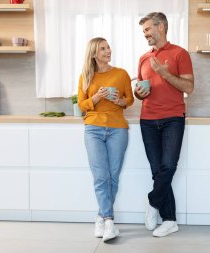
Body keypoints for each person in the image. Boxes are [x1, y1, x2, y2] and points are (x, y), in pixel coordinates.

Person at [135, 12, 194, 237]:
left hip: (173, 118)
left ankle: (152, 203)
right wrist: (138, 93)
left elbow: (188, 87)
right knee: (157, 171)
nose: (146, 35)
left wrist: (164, 73)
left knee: (168, 166)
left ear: (161, 27)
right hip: (148, 119)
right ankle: (169, 220)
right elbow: (141, 90)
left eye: (148, 30)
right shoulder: (143, 58)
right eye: (144, 32)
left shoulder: (180, 53)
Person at [78, 37, 134, 242]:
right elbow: (82, 105)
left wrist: (120, 101)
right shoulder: (86, 76)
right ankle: (110, 220)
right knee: (100, 176)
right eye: (103, 49)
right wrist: (96, 98)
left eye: (108, 47)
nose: (108, 51)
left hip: (118, 128)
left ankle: (101, 217)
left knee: (112, 176)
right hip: (93, 128)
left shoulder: (121, 74)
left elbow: (129, 99)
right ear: (94, 53)